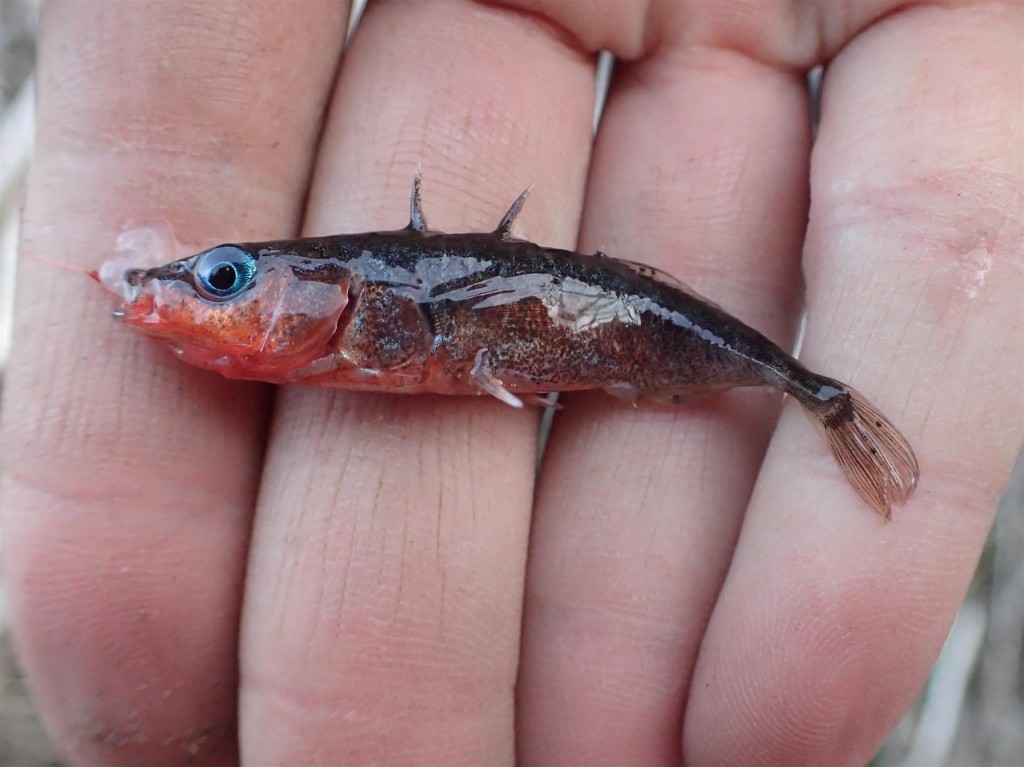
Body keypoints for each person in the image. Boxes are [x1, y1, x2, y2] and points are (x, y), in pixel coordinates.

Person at [3, 1, 1020, 765]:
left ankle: (820, 397)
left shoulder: (359, 323)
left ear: (339, 300)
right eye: (217, 275)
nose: (208, 291)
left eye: (227, 279)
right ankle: (809, 392)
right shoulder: (332, 330)